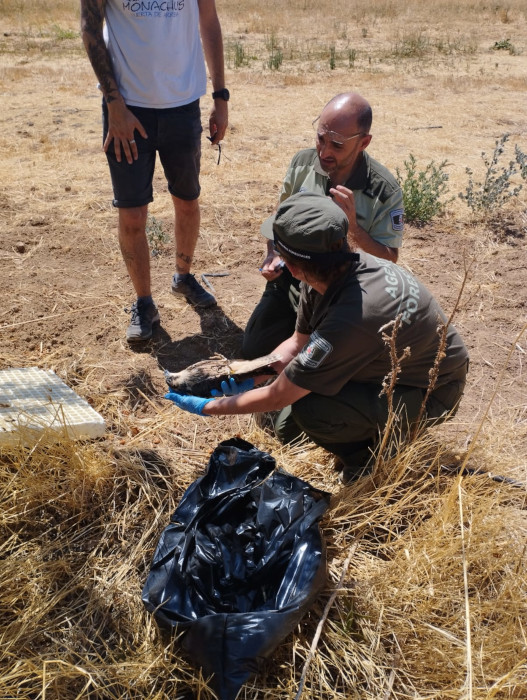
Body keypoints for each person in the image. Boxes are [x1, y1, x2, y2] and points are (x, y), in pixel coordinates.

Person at [165, 192, 469, 482]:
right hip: (387, 367)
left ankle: (370, 461)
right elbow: (297, 344)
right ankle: (368, 430)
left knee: (313, 411)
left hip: (433, 390)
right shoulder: (329, 270)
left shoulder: (354, 316)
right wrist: (251, 372)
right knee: (288, 430)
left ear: (293, 267)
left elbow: (278, 396)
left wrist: (208, 408)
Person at [80, 0, 229, 342]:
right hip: (127, 111)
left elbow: (209, 20)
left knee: (188, 200)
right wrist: (114, 103)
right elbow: (90, 28)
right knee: (132, 215)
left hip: (183, 106)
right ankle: (144, 302)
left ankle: (183, 276)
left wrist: (220, 97)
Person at [242, 91, 404, 360]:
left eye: (337, 145)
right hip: (293, 279)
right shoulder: (302, 163)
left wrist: (353, 229)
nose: (325, 151)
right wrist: (272, 254)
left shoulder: (384, 191)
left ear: (364, 142)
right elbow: (279, 216)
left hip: (344, 292)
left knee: (328, 362)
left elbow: (389, 258)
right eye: (320, 138)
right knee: (254, 350)